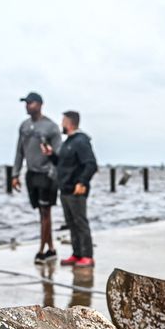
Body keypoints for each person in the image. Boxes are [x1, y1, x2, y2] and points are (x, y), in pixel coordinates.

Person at [41, 110, 98, 268]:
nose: (61, 124)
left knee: (80, 223)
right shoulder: (68, 142)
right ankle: (77, 253)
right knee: (71, 224)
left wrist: (82, 182)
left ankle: (87, 256)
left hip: (76, 190)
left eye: (63, 121)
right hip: (65, 189)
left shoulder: (81, 141)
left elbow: (91, 164)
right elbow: (63, 164)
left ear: (70, 122)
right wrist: (51, 155)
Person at [12, 92, 63, 263]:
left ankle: (42, 251)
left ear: (40, 104)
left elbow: (59, 154)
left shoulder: (51, 127)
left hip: (47, 174)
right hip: (31, 174)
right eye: (26, 103)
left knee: (46, 212)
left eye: (30, 103)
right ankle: (51, 248)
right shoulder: (24, 126)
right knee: (41, 214)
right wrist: (15, 174)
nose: (27, 106)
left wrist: (51, 155)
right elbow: (19, 151)